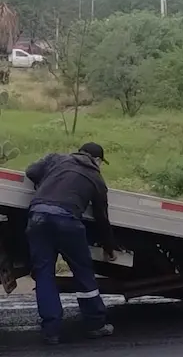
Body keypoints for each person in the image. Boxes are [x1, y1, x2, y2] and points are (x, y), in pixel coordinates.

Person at [25, 142, 119, 345]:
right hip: (67, 221)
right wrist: (109, 247)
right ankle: (95, 324)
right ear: (97, 160)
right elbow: (102, 217)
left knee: (44, 273)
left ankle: (51, 331)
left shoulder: (56, 159)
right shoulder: (96, 178)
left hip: (37, 216)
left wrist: (45, 185)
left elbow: (31, 171)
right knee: (82, 272)